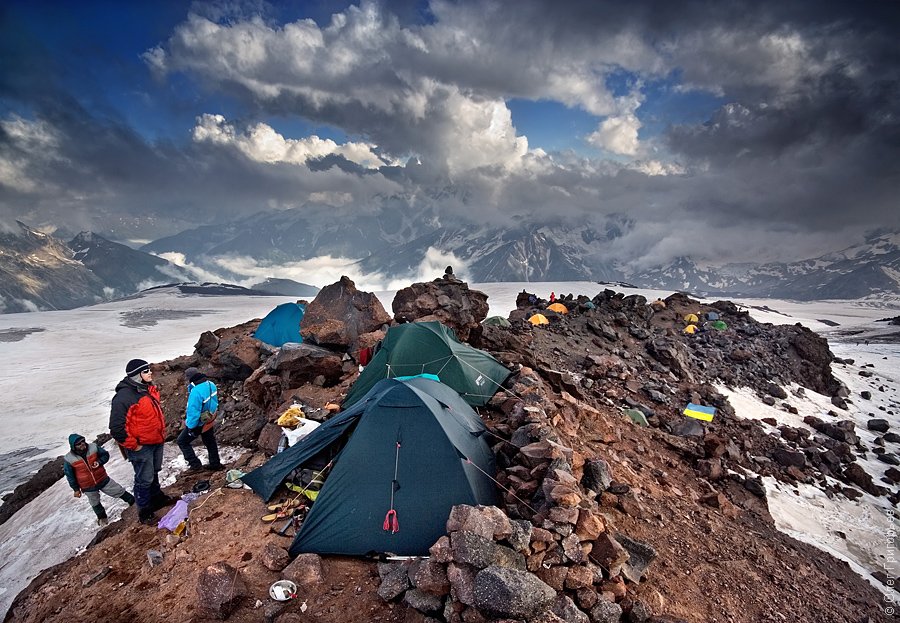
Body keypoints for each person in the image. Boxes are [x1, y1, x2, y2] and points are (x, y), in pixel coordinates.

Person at [109, 359, 175, 525]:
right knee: (143, 478)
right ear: (137, 375)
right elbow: (116, 428)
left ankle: (157, 498)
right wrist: (135, 445)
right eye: (146, 371)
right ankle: (144, 510)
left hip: (155, 440)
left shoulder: (148, 389)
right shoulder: (124, 397)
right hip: (141, 446)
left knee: (153, 472)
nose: (150, 373)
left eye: (148, 370)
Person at [64, 434, 135, 525]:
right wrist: (76, 489)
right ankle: (102, 520)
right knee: (95, 503)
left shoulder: (93, 447)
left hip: (102, 479)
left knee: (118, 490)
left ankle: (134, 503)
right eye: (79, 444)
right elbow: (70, 475)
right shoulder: (69, 459)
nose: (82, 444)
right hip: (87, 486)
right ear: (73, 446)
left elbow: (105, 455)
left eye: (83, 441)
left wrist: (99, 462)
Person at [177, 367, 222, 472]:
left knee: (182, 441)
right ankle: (215, 464)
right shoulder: (211, 384)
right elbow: (214, 401)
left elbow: (193, 412)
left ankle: (195, 465)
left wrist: (191, 427)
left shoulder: (195, 392)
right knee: (210, 441)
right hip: (209, 418)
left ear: (190, 378)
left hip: (199, 423)